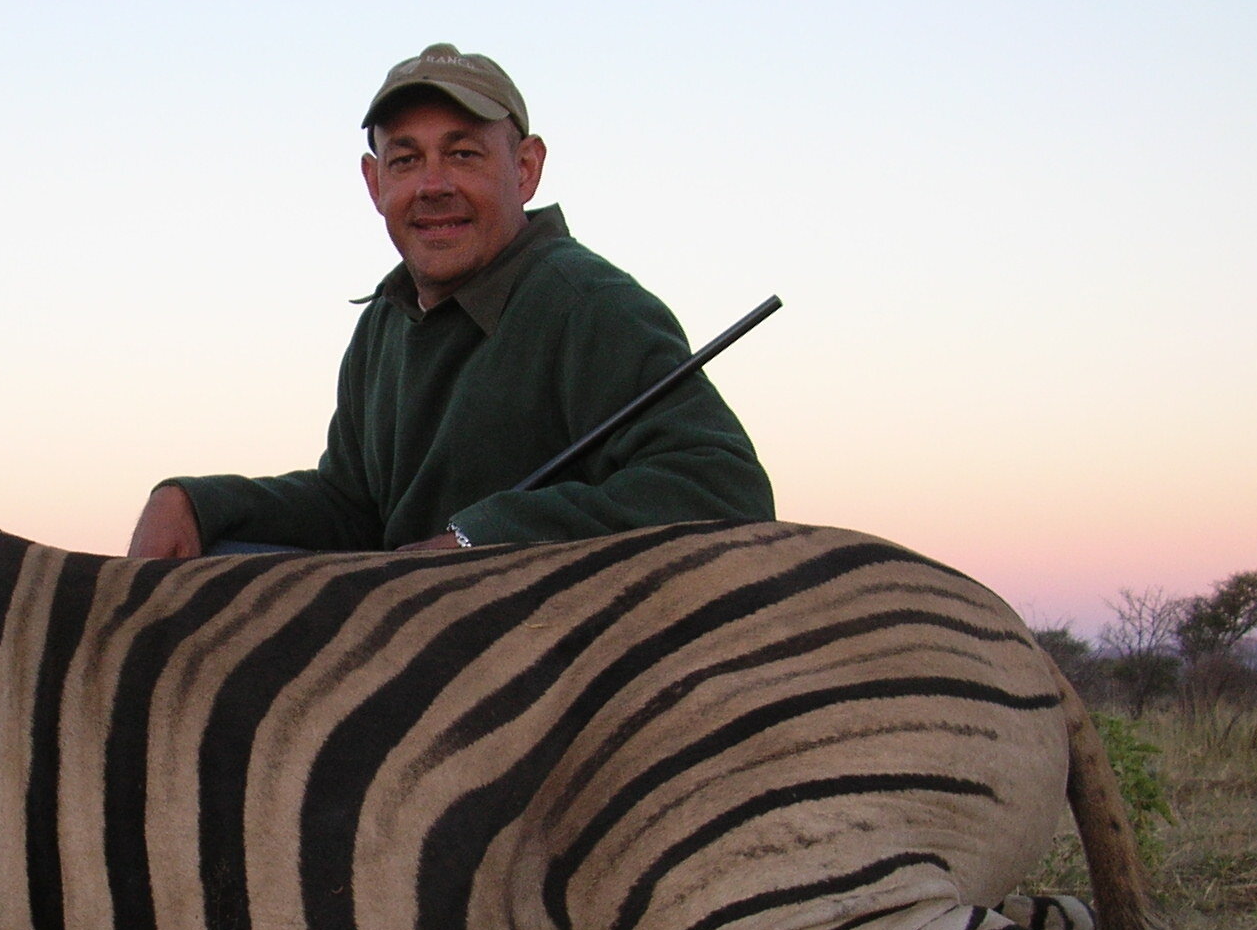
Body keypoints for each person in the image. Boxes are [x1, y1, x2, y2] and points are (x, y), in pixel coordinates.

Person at [126, 44, 773, 559]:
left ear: (524, 169)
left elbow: (724, 489)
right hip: (419, 640)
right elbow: (355, 507)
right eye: (406, 160)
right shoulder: (386, 319)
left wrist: (481, 540)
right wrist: (195, 503)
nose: (433, 186)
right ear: (374, 182)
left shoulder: (587, 305)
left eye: (462, 154)